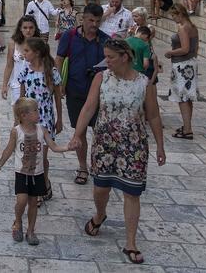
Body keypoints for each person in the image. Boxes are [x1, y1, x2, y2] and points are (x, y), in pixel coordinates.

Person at [68, 39, 167, 266]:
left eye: (110, 57)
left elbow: (153, 116)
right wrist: (77, 134)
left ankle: (131, 242)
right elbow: (89, 107)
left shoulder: (144, 84)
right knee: (100, 188)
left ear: (124, 57)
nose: (106, 61)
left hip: (134, 147)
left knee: (132, 193)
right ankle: (100, 214)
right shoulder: (101, 78)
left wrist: (160, 146)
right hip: (105, 144)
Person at [0, 97, 69, 245]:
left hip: (38, 173)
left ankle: (31, 230)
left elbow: (53, 147)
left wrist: (68, 147)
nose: (38, 112)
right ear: (24, 115)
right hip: (22, 173)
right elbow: (9, 150)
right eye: (35, 110)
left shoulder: (42, 130)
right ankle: (17, 222)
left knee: (33, 203)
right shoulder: (16, 132)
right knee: (21, 201)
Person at [55, 3, 109, 185]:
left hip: (100, 94)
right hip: (75, 90)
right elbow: (59, 59)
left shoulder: (105, 40)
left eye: (98, 21)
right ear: (83, 19)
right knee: (81, 130)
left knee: (101, 131)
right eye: (91, 20)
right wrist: (59, 83)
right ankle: (82, 167)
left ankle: (100, 164)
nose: (94, 24)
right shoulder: (69, 37)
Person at [15, 36, 63, 200]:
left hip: (45, 120)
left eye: (27, 51)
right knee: (31, 156)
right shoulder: (25, 70)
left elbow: (57, 97)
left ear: (36, 53)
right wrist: (17, 120)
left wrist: (60, 119)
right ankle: (40, 185)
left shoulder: (51, 72)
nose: (24, 53)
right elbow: (21, 98)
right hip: (28, 121)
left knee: (41, 157)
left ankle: (42, 188)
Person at [165, 4, 199, 139]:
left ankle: (187, 129)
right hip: (191, 63)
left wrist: (170, 52)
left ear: (180, 14)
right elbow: (195, 48)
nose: (173, 18)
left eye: (174, 15)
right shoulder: (193, 27)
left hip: (182, 64)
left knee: (182, 97)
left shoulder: (183, 28)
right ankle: (186, 125)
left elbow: (185, 48)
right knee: (188, 97)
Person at [1, 16, 38, 106]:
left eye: (31, 27)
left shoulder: (40, 44)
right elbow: (9, 65)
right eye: (25, 28)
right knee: (18, 115)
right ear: (20, 29)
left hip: (35, 84)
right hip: (17, 84)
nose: (28, 30)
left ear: (35, 28)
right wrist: (4, 85)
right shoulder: (13, 44)